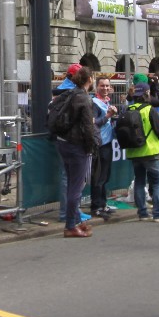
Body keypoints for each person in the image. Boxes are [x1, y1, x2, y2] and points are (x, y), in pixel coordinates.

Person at [52, 67, 100, 238]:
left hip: (63, 142)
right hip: (77, 145)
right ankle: (70, 225)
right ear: (90, 79)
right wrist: (93, 145)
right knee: (76, 187)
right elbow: (88, 126)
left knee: (71, 184)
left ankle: (76, 221)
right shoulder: (84, 99)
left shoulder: (71, 94)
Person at [122, 83, 159, 222]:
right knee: (158, 181)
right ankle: (158, 213)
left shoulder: (128, 109)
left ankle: (143, 213)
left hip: (134, 152)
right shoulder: (149, 109)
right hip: (151, 151)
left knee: (139, 181)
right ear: (147, 94)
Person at [89, 77, 119, 219]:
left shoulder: (106, 102)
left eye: (107, 86)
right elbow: (93, 123)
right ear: (97, 87)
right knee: (98, 177)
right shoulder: (94, 103)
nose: (105, 88)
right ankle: (96, 206)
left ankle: (103, 203)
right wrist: (108, 115)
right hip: (99, 144)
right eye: (102, 86)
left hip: (107, 143)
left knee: (105, 176)